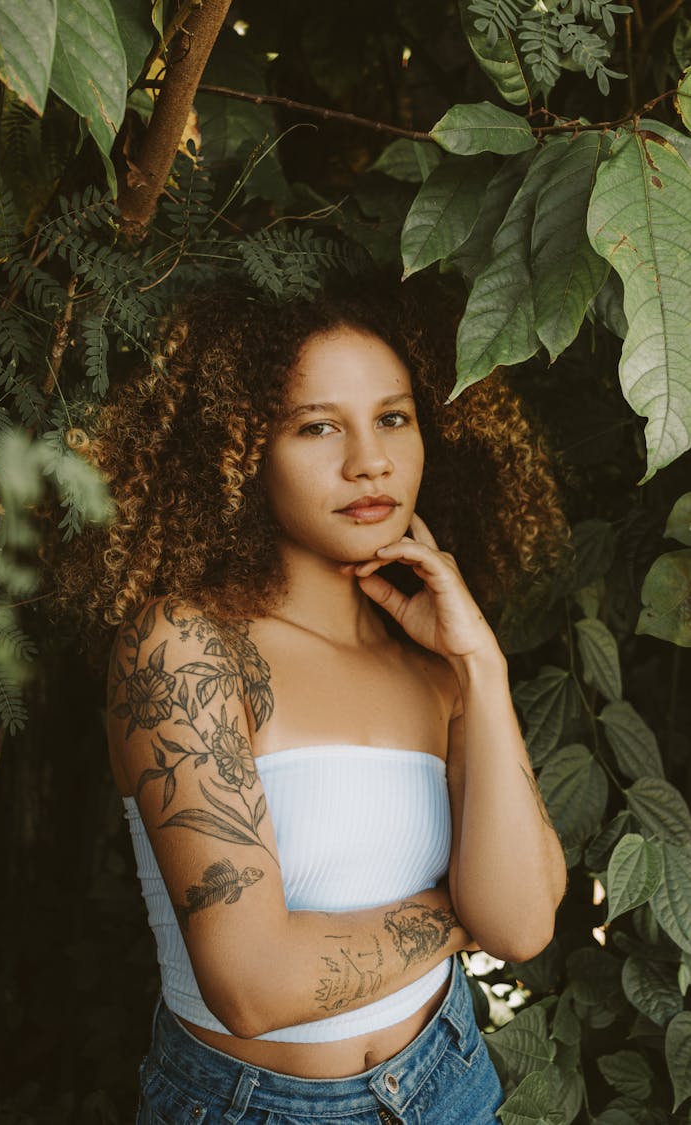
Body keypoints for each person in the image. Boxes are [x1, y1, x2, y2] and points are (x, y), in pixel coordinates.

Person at [60, 275, 567, 1123]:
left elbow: (519, 925)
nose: (368, 460)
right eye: (318, 426)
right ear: (242, 448)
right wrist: (461, 916)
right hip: (254, 1106)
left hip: (451, 1083)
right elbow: (254, 987)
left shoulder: (438, 664)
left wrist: (482, 663)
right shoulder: (183, 647)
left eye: (393, 418)